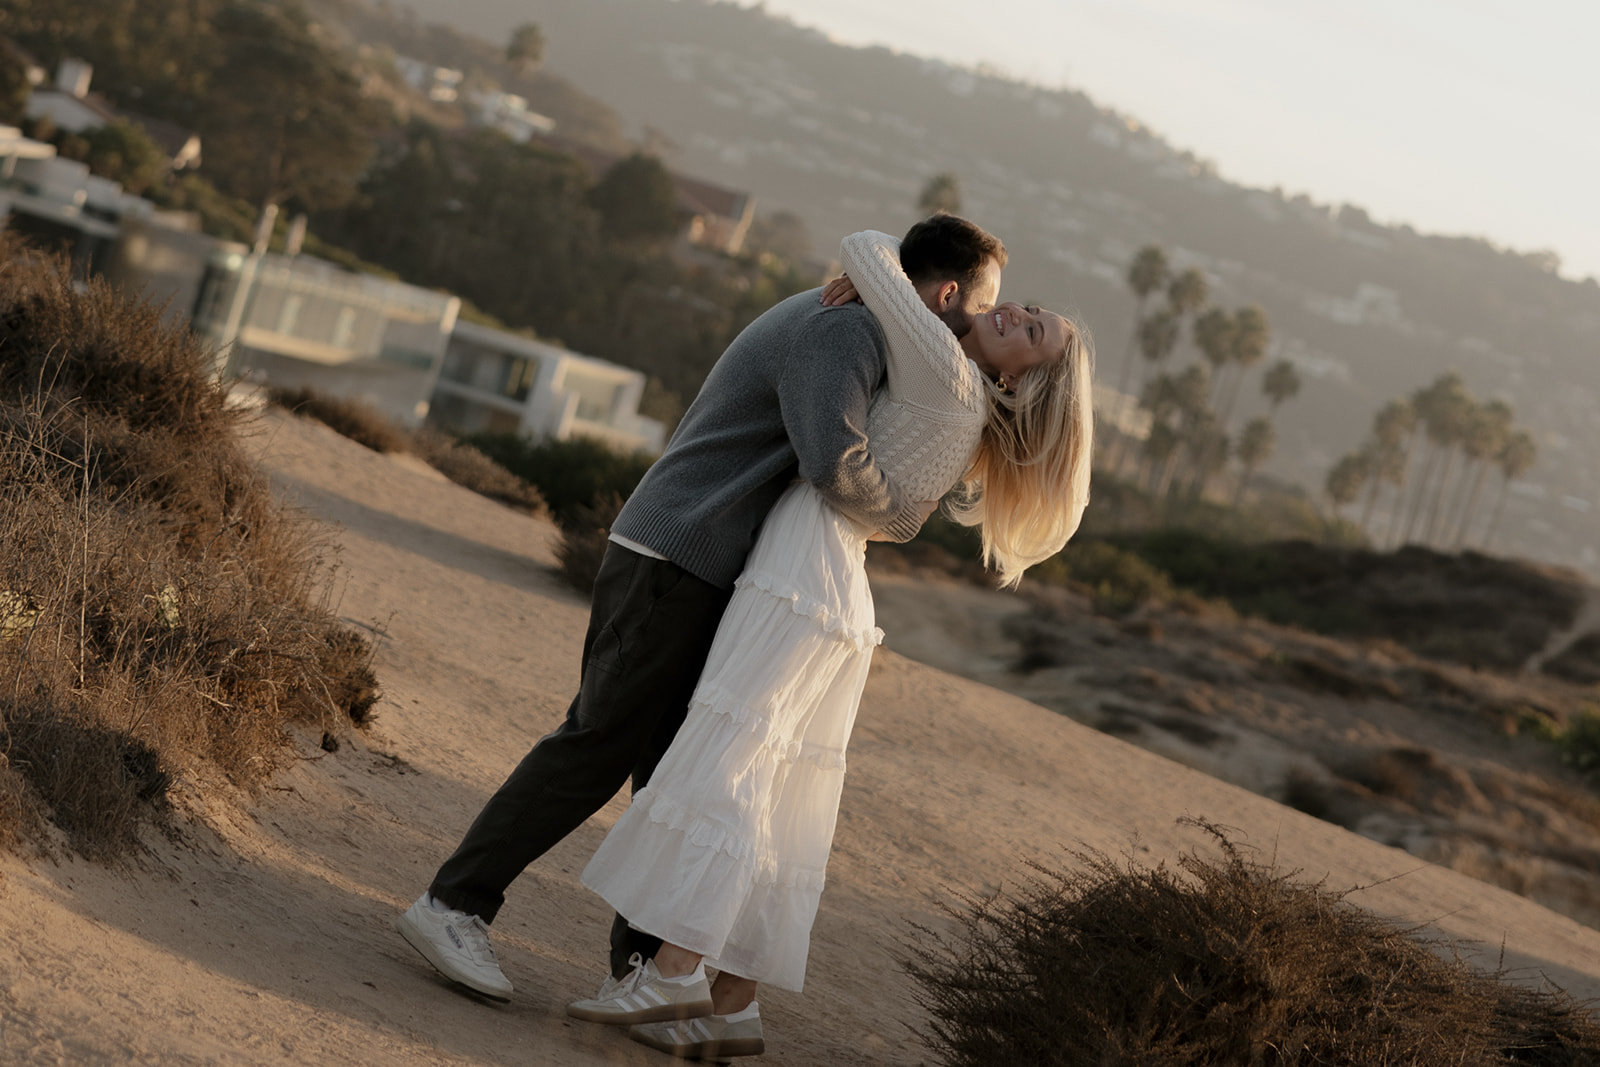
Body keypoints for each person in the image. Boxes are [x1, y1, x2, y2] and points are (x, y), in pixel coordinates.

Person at [395, 215, 1008, 1002]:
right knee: (599, 740)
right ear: (946, 293)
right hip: (679, 552)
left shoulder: (866, 319)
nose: (976, 331)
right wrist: (898, 516)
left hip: (698, 557)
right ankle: (451, 904)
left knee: (669, 769)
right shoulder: (848, 327)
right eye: (980, 311)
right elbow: (832, 458)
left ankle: (647, 974)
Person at [565, 229, 1094, 1059]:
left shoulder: (949, 371)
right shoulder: (961, 395)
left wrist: (864, 274)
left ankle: (673, 970)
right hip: (828, 574)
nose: (1018, 312)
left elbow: (868, 242)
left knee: (731, 764)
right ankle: (731, 1002)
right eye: (1032, 310)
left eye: (1031, 330)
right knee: (774, 789)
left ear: (1018, 379)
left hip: (799, 566)